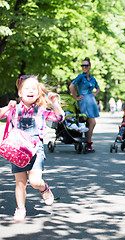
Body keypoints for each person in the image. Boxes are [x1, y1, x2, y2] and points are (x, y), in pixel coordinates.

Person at [0, 75, 65, 222]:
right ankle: (21, 208)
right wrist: (7, 108)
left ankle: (43, 188)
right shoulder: (14, 109)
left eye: (34, 88)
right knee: (20, 183)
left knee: (35, 181)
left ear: (38, 93)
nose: (30, 91)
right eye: (26, 88)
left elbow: (60, 118)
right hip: (17, 150)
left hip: (36, 151)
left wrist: (54, 103)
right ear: (19, 93)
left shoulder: (41, 110)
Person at [69, 57, 100, 152]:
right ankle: (88, 143)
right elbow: (71, 86)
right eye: (82, 65)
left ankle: (87, 142)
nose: (84, 67)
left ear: (90, 67)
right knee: (92, 122)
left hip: (91, 101)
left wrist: (95, 93)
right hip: (84, 101)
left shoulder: (92, 78)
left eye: (86, 65)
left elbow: (98, 88)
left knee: (89, 122)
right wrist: (75, 97)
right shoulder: (80, 77)